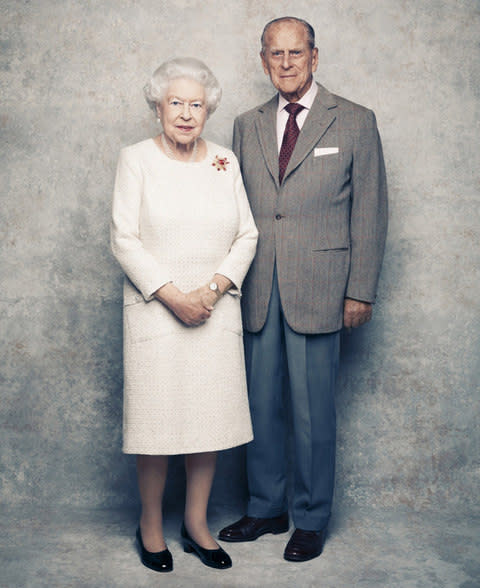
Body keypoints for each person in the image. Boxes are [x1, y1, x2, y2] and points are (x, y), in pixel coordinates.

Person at [219, 17, 388, 562]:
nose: (286, 63)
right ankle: (267, 507)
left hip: (322, 288)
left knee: (313, 413)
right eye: (275, 54)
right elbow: (235, 208)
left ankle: (311, 519)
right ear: (262, 59)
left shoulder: (356, 121)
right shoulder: (246, 124)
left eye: (296, 53)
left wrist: (359, 289)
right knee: (260, 408)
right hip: (257, 291)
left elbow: (371, 211)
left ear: (315, 57)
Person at [110, 57, 258, 572]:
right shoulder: (136, 159)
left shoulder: (225, 161)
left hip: (214, 313)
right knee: (157, 426)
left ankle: (197, 525)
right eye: (177, 102)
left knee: (206, 423)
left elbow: (247, 234)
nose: (187, 113)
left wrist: (212, 291)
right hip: (157, 313)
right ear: (158, 106)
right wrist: (174, 296)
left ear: (208, 110)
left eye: (197, 104)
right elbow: (124, 239)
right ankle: (151, 525)